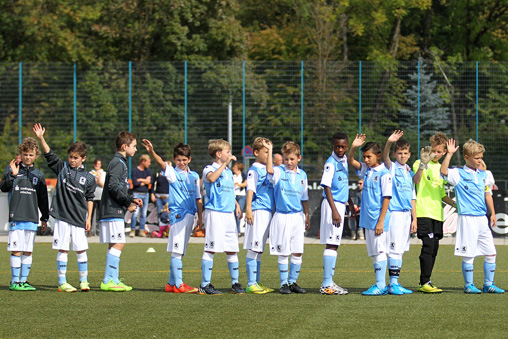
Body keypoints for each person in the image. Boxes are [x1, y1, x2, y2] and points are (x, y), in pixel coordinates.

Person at [33, 123, 96, 293]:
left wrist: (88, 218)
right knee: (63, 248)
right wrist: (41, 138)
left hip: (78, 218)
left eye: (76, 157)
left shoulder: (89, 178)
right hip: (61, 217)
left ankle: (84, 281)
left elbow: (90, 198)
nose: (72, 160)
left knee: (81, 249)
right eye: (70, 157)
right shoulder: (63, 169)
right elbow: (49, 154)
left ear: (83, 158)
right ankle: (62, 282)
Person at [441, 139, 504, 294]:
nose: (479, 160)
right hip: (467, 218)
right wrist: (449, 154)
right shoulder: (458, 174)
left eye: (481, 157)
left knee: (491, 252)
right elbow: (443, 171)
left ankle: (489, 283)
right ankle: (469, 285)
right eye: (476, 158)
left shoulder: (484, 175)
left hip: (482, 218)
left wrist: (493, 214)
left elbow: (487, 195)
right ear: (467, 157)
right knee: (469, 253)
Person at [143, 140, 203, 294]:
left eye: (184, 160)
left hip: (191, 215)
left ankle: (171, 284)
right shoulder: (172, 173)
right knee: (177, 251)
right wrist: (151, 151)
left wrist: (200, 219)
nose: (181, 163)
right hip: (178, 215)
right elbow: (162, 164)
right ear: (174, 160)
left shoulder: (195, 176)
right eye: (178, 160)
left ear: (189, 159)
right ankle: (179, 285)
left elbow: (198, 199)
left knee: (181, 251)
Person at [1, 138, 49, 291]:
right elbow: (3, 187)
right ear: (20, 154)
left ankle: (23, 280)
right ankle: (15, 281)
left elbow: (43, 198)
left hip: (31, 218)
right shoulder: (12, 169)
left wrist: (44, 218)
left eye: (31, 155)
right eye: (25, 154)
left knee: (28, 250)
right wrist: (13, 175)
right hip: (16, 216)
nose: (28, 157)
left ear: (36, 155)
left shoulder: (39, 175)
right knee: (16, 249)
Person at [98, 131, 142, 292]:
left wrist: (131, 199)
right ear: (125, 146)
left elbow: (117, 187)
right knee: (119, 242)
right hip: (112, 210)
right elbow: (113, 187)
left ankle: (113, 279)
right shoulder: (118, 163)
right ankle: (108, 279)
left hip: (113, 209)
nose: (136, 149)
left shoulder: (120, 162)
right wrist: (127, 203)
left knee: (114, 244)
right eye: (134, 146)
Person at [199, 139, 244, 295]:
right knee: (211, 248)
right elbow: (211, 179)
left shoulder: (229, 172)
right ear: (219, 154)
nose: (230, 155)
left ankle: (235, 283)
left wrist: (236, 205)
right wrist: (225, 164)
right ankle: (205, 285)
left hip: (228, 214)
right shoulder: (209, 168)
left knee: (232, 249)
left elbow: (230, 191)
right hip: (215, 213)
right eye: (227, 152)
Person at [348, 134, 392, 296]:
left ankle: (381, 285)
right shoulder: (367, 170)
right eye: (364, 157)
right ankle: (379, 284)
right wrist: (353, 147)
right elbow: (350, 161)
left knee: (380, 251)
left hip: (378, 220)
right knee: (374, 252)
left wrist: (381, 221)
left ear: (378, 156)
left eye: (369, 156)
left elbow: (387, 198)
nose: (366, 160)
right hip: (367, 220)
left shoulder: (384, 173)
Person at [412, 132, 455, 293]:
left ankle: (426, 281)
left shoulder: (441, 169)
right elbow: (416, 180)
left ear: (444, 152)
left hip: (438, 214)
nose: (435, 154)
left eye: (439, 152)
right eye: (433, 151)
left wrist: (455, 205)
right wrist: (423, 164)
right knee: (428, 245)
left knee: (434, 248)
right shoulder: (419, 163)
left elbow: (442, 195)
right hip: (423, 212)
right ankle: (424, 282)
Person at [267, 141, 310, 294]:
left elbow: (304, 197)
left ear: (299, 158)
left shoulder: (302, 175)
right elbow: (269, 169)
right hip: (282, 216)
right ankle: (284, 283)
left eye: (292, 159)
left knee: (297, 251)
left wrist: (307, 215)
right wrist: (271, 149)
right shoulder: (279, 171)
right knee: (284, 252)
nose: (289, 162)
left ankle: (293, 282)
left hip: (297, 217)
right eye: (286, 159)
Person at [382, 130, 417, 295]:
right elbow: (385, 158)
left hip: (405, 215)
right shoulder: (393, 168)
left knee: (401, 249)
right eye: (400, 153)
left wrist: (414, 219)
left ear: (409, 155)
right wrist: (389, 143)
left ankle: (395, 282)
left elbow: (412, 198)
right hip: (394, 214)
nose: (402, 156)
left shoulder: (408, 172)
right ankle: (392, 284)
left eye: (405, 153)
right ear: (395, 154)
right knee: (394, 249)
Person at [319, 132, 351, 295]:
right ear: (332, 146)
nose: (340, 149)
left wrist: (350, 204)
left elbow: (344, 185)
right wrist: (334, 210)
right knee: (331, 243)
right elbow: (326, 186)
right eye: (337, 146)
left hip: (340, 204)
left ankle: (329, 282)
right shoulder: (331, 163)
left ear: (347, 146)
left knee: (334, 244)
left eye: (343, 146)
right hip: (333, 206)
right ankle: (326, 284)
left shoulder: (344, 160)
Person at [244, 137, 275, 294]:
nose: (268, 154)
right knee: (254, 247)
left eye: (270, 151)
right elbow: (250, 189)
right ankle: (251, 283)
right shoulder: (254, 170)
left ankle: (256, 281)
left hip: (267, 211)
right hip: (257, 210)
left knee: (260, 249)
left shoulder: (268, 169)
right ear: (256, 153)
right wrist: (248, 208)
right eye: (265, 151)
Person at [130, 154, 152, 237]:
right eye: (148, 162)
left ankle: (141, 231)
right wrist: (145, 181)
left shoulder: (148, 171)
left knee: (144, 214)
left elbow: (149, 181)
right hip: (137, 194)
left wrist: (141, 180)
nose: (149, 164)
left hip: (145, 194)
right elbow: (135, 183)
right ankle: (132, 230)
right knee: (135, 213)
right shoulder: (135, 170)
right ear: (143, 162)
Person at [90, 158, 106, 236]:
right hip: (92, 197)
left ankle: (101, 230)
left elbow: (105, 186)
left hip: (101, 196)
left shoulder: (104, 174)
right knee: (91, 214)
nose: (97, 166)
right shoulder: (90, 173)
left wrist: (99, 181)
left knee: (101, 214)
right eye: (96, 164)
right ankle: (89, 230)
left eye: (99, 164)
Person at [232, 162, 247, 234]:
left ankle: (237, 230)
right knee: (233, 213)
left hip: (241, 196)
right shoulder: (232, 176)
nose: (233, 168)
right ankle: (234, 229)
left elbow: (245, 184)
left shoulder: (243, 176)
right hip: (234, 196)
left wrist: (239, 184)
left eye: (234, 167)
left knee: (238, 213)